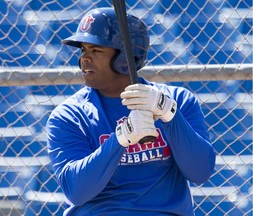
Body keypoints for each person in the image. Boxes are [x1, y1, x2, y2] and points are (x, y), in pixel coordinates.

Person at [46, 7, 216, 216]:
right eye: (83, 50)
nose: (84, 59)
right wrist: (121, 138)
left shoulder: (178, 100)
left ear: (127, 58)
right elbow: (76, 191)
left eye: (96, 50)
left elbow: (200, 172)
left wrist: (169, 115)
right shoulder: (70, 116)